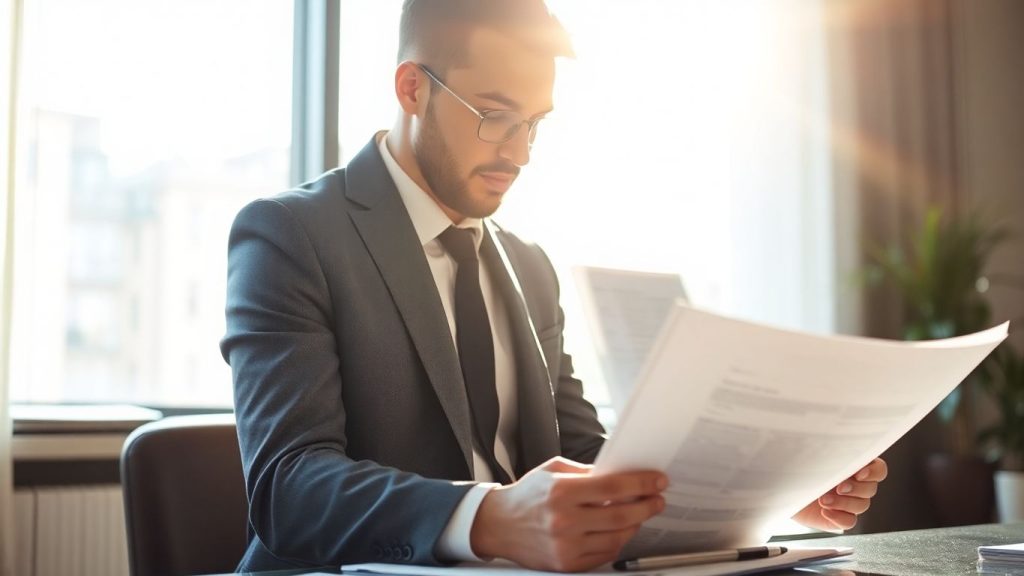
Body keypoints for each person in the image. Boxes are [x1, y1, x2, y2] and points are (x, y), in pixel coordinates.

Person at [221, 0, 888, 572]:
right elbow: (288, 486)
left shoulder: (528, 267)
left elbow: (587, 458)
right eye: (493, 114)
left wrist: (768, 490)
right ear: (411, 89)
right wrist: (489, 517)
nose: (519, 152)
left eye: (535, 122)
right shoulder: (289, 235)